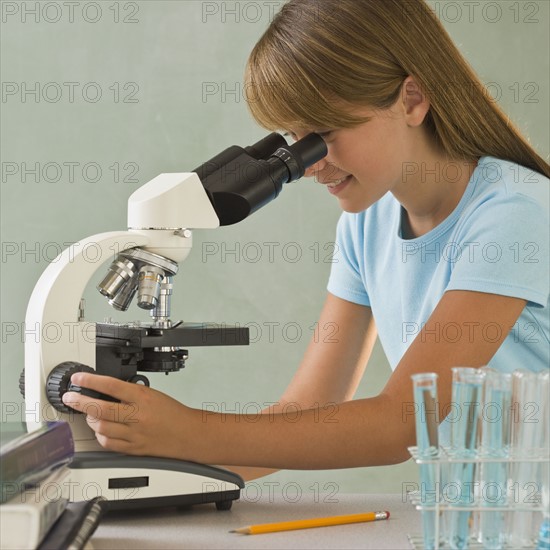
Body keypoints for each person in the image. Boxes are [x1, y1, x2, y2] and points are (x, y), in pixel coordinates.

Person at [63, 0, 549, 478]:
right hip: (477, 521)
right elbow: (307, 408)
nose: (311, 164)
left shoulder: (513, 213)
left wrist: (189, 431)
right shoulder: (367, 223)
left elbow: (402, 423)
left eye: (324, 133)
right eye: (297, 139)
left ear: (412, 100)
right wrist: (148, 464)